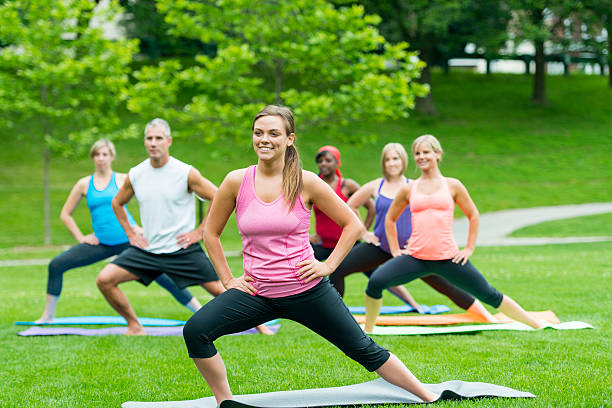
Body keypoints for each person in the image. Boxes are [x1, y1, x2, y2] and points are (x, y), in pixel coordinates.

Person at [182, 105, 438, 403]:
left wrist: (328, 265)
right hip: (257, 292)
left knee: (362, 349)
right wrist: (227, 279)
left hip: (306, 290)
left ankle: (428, 396)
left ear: (290, 139)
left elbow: (352, 225)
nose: (264, 139)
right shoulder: (236, 181)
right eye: (258, 133)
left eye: (274, 133)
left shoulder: (307, 182)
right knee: (196, 331)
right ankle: (226, 402)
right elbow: (211, 233)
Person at [95, 119, 272, 336]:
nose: (153, 143)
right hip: (147, 250)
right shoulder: (136, 174)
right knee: (105, 280)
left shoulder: (185, 172)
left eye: (158, 138)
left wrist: (199, 232)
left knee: (221, 289)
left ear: (168, 141)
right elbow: (116, 203)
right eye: (149, 138)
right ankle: (134, 325)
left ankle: (261, 326)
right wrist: (131, 233)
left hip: (182, 250)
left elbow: (217, 197)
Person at [363, 134, 546, 332]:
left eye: (426, 152)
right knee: (376, 282)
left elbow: (473, 215)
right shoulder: (410, 188)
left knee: (489, 294)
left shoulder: (453, 185)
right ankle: (369, 332)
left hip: (448, 258)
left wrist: (468, 248)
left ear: (437, 154)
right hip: (416, 257)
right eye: (417, 153)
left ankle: (536, 325)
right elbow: (390, 219)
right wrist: (396, 249)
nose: (421, 156)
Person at [36, 139, 201, 323]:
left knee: (163, 276)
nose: (101, 158)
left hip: (129, 242)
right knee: (57, 264)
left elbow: (151, 199)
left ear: (111, 157)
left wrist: (141, 228)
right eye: (97, 155)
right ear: (93, 158)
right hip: (101, 243)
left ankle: (199, 311)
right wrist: (81, 237)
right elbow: (65, 214)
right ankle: (48, 316)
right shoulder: (84, 184)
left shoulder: (124, 179)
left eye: (104, 154)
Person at [330, 143, 496, 320]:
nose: (392, 163)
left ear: (404, 161)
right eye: (388, 159)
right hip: (381, 247)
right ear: (383, 163)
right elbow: (349, 207)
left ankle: (487, 316)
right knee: (339, 269)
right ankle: (336, 317)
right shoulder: (375, 186)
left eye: (396, 159)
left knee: (448, 286)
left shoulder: (415, 186)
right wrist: (364, 233)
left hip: (414, 253)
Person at [311, 145, 423, 308]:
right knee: (311, 267)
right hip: (332, 244)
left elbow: (370, 207)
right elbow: (302, 209)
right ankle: (324, 309)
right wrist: (310, 234)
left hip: (350, 243)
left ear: (337, 162)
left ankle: (415, 305)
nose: (323, 164)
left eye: (328, 160)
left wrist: (361, 232)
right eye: (320, 161)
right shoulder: (313, 184)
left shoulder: (347, 185)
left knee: (379, 275)